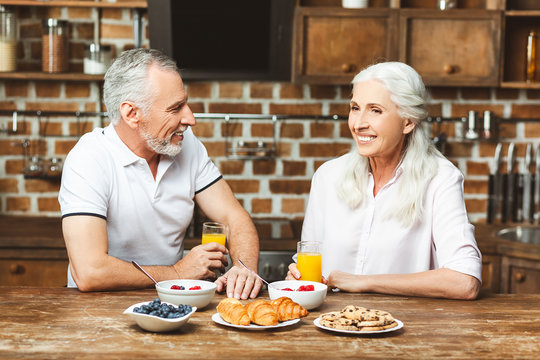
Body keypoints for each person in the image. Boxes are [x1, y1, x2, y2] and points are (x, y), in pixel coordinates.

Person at [59, 48, 262, 299]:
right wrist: (177, 272)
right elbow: (90, 272)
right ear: (132, 114)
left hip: (173, 302)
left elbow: (234, 217)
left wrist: (244, 269)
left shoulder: (187, 146)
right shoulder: (89, 158)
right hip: (98, 311)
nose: (190, 118)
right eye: (175, 108)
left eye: (185, 103)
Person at [286, 62, 482, 300]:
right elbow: (308, 260)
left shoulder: (440, 178)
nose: (358, 124)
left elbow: (464, 281)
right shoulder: (328, 176)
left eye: (375, 110)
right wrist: (298, 277)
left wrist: (362, 283)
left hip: (406, 328)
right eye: (355, 108)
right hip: (332, 326)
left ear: (408, 121)